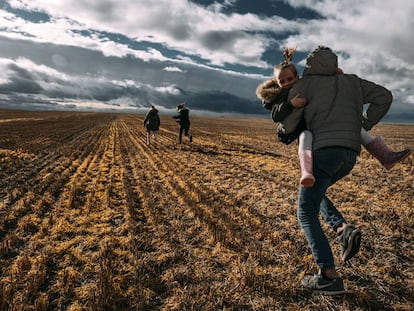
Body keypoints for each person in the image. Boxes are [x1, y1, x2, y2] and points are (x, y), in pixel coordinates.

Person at [277, 46, 410, 295]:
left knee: (305, 212)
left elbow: (291, 121)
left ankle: (329, 276)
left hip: (323, 153)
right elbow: (385, 96)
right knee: (316, 193)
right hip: (350, 155)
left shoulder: (305, 84)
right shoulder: (351, 81)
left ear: (310, 65)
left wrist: (283, 131)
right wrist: (364, 122)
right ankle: (342, 228)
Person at [256, 48, 411, 188]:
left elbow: (318, 81)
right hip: (301, 128)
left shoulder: (305, 84)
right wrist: (290, 104)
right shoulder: (281, 95)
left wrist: (332, 73)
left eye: (290, 79)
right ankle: (306, 171)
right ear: (277, 83)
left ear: (297, 77)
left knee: (354, 127)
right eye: (282, 81)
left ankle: (385, 155)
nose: (286, 83)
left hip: (316, 125)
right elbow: (276, 116)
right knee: (306, 137)